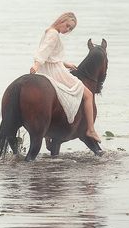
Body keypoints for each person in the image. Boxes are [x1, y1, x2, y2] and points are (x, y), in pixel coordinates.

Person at [29, 11, 102, 142]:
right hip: (55, 72)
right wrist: (36, 65)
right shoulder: (54, 34)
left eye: (70, 28)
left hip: (53, 67)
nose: (67, 29)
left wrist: (66, 64)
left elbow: (50, 56)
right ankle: (90, 130)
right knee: (88, 95)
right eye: (67, 25)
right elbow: (43, 52)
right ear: (61, 21)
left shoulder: (49, 31)